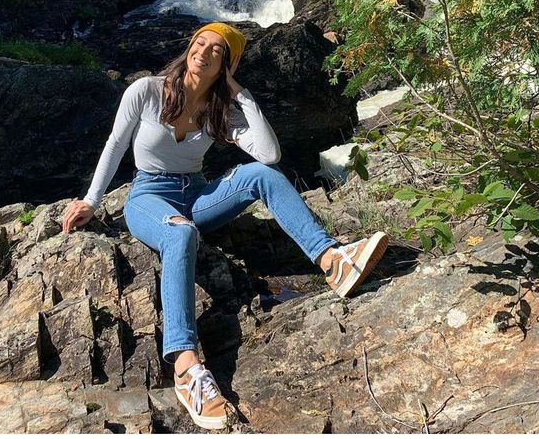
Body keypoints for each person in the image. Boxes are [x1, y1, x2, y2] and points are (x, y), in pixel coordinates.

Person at [60, 22, 386, 430]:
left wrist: (241, 94)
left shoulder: (221, 110)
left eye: (217, 51)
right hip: (148, 196)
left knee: (261, 176)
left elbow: (268, 154)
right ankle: (185, 364)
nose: (204, 52)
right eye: (201, 43)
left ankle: (331, 259)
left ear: (226, 66)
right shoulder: (145, 91)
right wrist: (92, 200)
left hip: (197, 194)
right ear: (189, 47)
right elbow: (114, 145)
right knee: (180, 233)